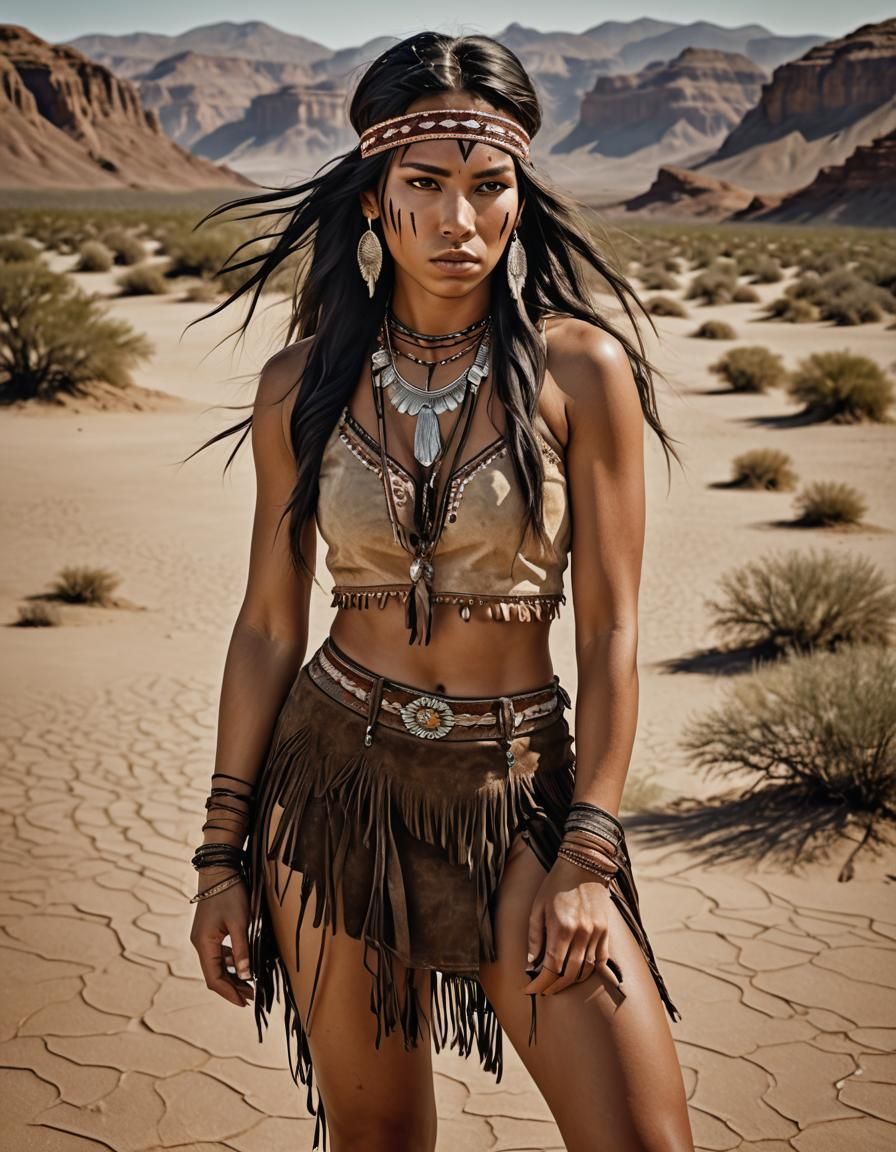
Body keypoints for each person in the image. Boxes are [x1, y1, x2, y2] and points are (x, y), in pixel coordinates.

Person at [187, 30, 695, 1152]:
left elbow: (611, 634)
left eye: (486, 186)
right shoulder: (300, 385)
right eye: (424, 185)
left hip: (514, 797)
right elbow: (270, 624)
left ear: (518, 196)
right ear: (373, 199)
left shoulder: (579, 372)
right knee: (376, 1140)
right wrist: (220, 857)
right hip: (327, 791)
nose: (457, 222)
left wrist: (588, 855)